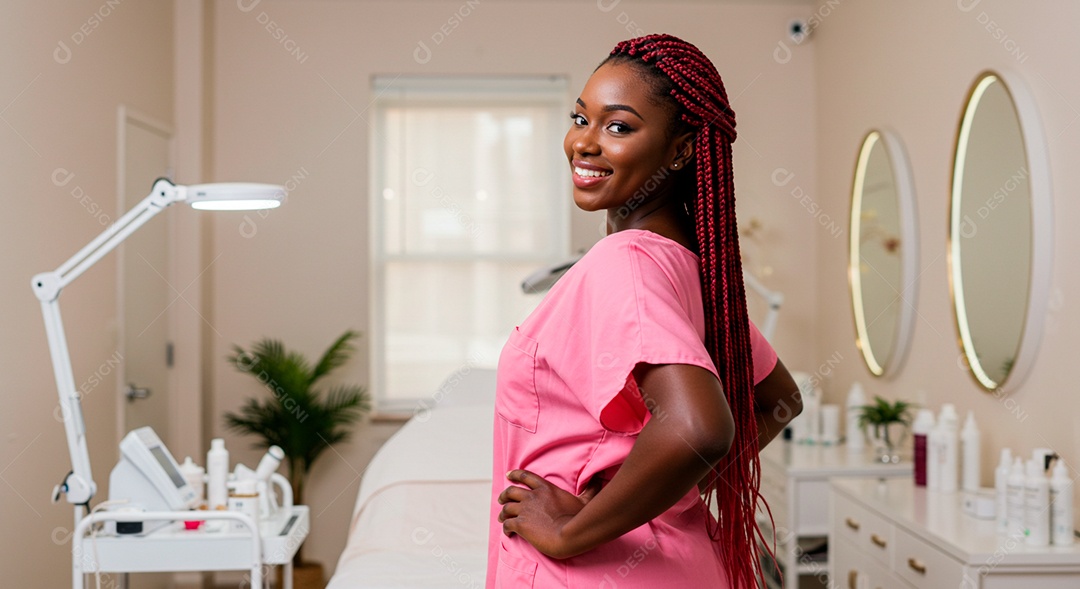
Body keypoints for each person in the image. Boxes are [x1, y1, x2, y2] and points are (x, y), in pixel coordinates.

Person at [487, 34, 802, 588]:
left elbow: (699, 426)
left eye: (618, 127)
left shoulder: (627, 262)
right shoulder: (686, 269)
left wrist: (571, 532)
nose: (584, 143)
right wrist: (666, 496)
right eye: (580, 118)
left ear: (680, 151)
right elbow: (779, 399)